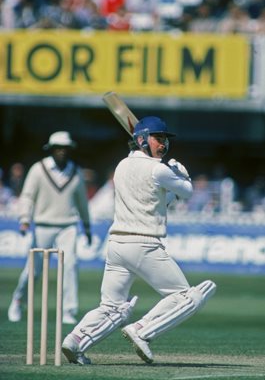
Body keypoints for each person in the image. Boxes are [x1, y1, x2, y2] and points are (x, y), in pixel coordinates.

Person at [61, 116, 216, 365]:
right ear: (142, 139)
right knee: (187, 296)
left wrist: (172, 184)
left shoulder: (121, 166)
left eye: (165, 139)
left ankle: (76, 341)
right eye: (158, 138)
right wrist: (181, 173)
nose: (163, 144)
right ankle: (143, 330)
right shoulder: (159, 169)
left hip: (116, 246)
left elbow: (155, 201)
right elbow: (187, 191)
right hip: (144, 244)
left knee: (112, 307)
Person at [8, 131, 92, 325]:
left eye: (65, 148)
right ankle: (18, 300)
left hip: (68, 226)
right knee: (34, 269)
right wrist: (24, 218)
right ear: (51, 149)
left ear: (70, 150)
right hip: (43, 225)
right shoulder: (38, 169)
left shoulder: (76, 172)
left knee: (70, 266)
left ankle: (68, 311)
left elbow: (82, 204)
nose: (62, 152)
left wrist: (86, 227)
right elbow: (28, 195)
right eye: (58, 148)